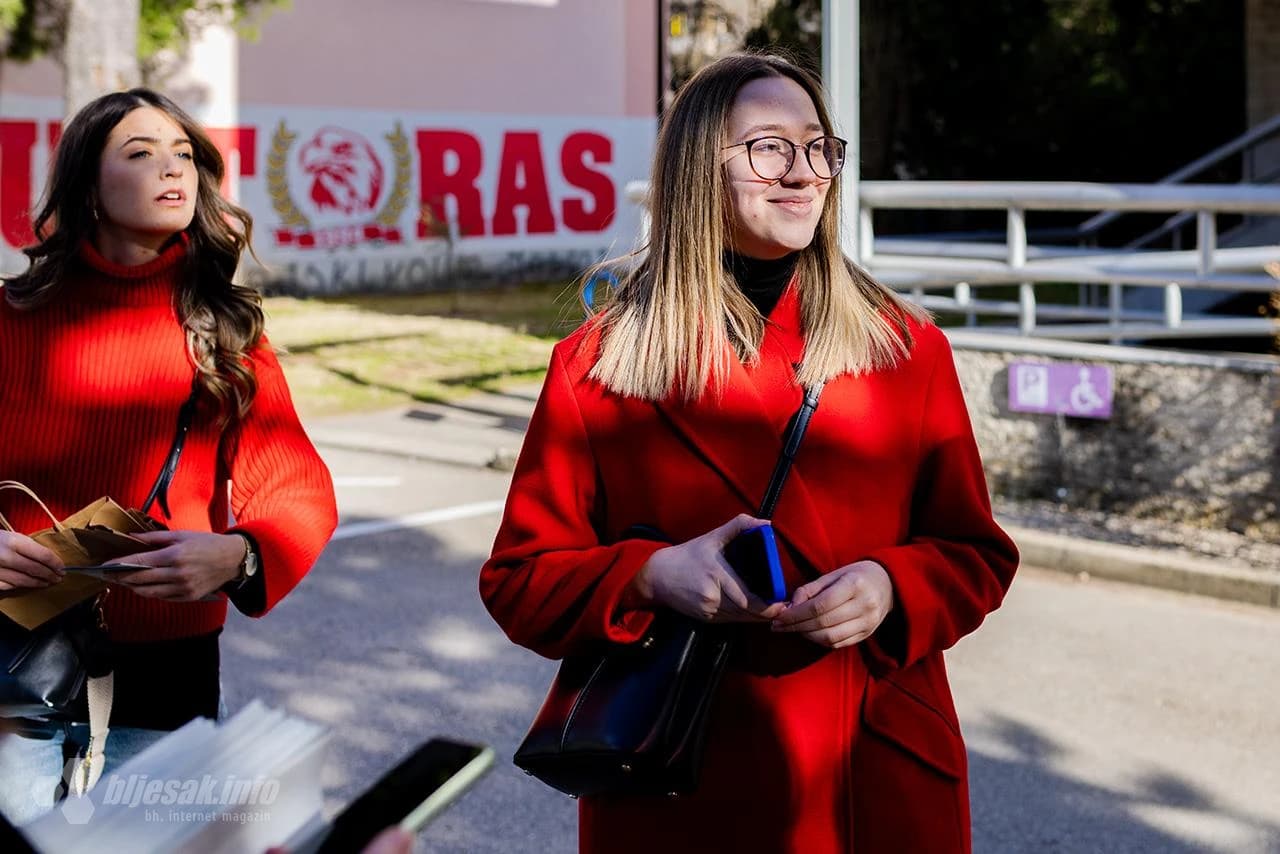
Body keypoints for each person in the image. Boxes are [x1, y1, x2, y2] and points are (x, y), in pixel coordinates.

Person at [480, 53, 1019, 854]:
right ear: (702, 168)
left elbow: (975, 553)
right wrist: (650, 574)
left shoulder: (907, 348)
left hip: (872, 783)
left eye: (817, 147)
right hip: (682, 786)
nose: (802, 172)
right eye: (769, 146)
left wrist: (890, 584)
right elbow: (520, 579)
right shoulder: (599, 366)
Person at [0, 88, 338, 823]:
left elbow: (295, 486)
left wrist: (240, 554)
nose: (172, 168)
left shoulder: (226, 329)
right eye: (141, 153)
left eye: (183, 153)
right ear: (87, 183)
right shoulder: (10, 315)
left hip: (171, 665)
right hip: (13, 649)